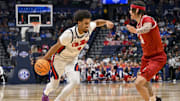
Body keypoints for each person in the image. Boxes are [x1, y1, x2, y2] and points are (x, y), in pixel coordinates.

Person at [41, 10, 114, 101]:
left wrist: (106, 22)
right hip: (59, 59)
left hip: (72, 59)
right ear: (79, 23)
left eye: (88, 23)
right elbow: (56, 46)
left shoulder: (89, 27)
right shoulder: (69, 34)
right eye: (85, 23)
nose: (88, 25)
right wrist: (44, 59)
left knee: (75, 82)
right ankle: (46, 92)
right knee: (54, 85)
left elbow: (97, 22)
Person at [126, 1, 167, 101]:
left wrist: (136, 31)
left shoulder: (147, 19)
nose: (129, 12)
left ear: (137, 10)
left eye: (131, 10)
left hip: (157, 57)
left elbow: (147, 28)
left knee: (138, 83)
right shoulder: (138, 24)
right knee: (145, 81)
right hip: (146, 57)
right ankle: (154, 98)